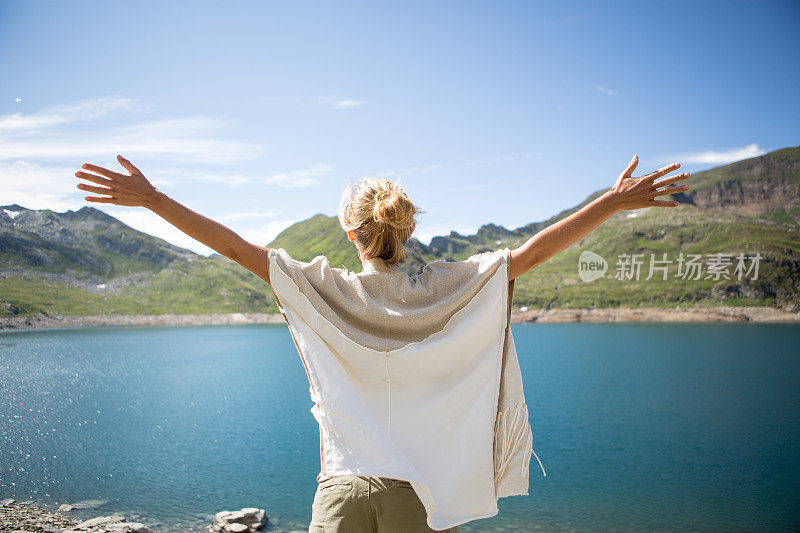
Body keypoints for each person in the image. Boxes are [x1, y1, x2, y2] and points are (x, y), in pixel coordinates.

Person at [75, 155, 691, 532]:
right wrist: (611, 202)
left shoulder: (324, 289)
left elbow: (238, 248)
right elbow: (531, 254)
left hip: (341, 492)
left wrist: (152, 199)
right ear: (410, 225)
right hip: (423, 501)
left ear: (350, 231)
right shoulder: (450, 287)